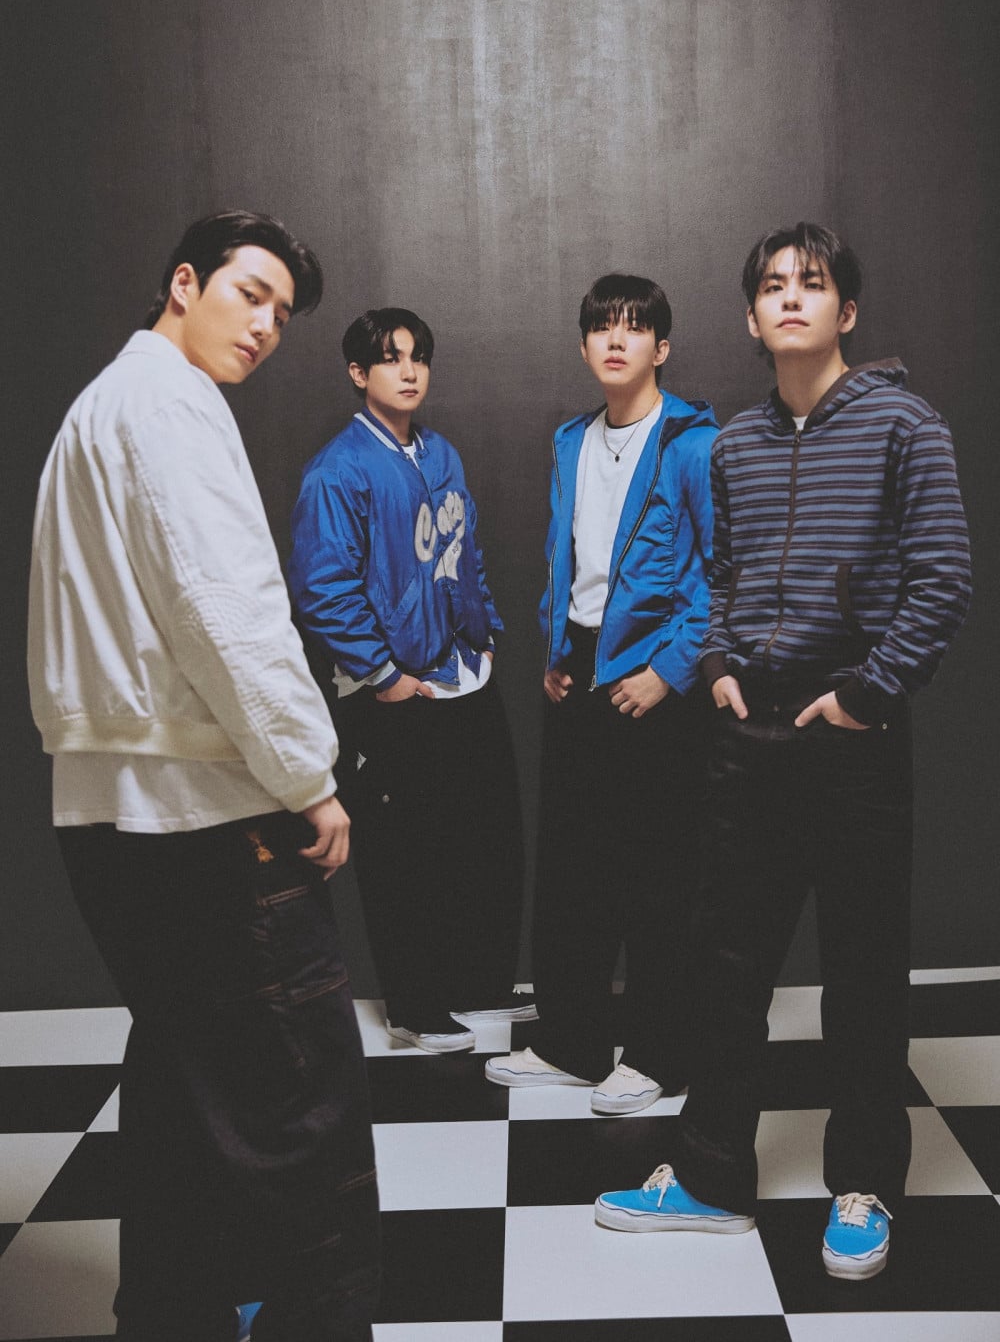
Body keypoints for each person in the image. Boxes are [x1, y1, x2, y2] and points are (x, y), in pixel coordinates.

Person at [28, 211, 380, 1342]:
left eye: (283, 312)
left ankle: (169, 1319)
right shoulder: (172, 406)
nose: (267, 325)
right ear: (184, 283)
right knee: (305, 1109)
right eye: (250, 293)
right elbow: (228, 615)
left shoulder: (98, 407)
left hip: (107, 820)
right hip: (208, 817)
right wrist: (309, 776)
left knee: (185, 1094)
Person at [596, 223, 972, 1278]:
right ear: (752, 317)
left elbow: (942, 577)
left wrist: (865, 692)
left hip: (853, 738)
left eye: (811, 283)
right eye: (772, 285)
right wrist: (717, 660)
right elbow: (721, 573)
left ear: (845, 311)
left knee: (863, 978)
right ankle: (711, 1177)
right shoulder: (736, 444)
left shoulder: (904, 425)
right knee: (725, 970)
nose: (791, 297)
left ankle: (864, 1183)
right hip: (746, 735)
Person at [485, 273, 717, 1113]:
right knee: (572, 869)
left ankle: (659, 1053)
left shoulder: (693, 443)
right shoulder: (570, 441)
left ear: (662, 347)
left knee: (658, 875)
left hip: (655, 676)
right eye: (601, 327)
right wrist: (556, 649)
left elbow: (718, 573)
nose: (616, 340)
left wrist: (671, 671)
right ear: (584, 346)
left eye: (634, 327)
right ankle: (572, 1041)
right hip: (579, 669)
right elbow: (568, 557)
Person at [288, 308, 528, 1054]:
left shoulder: (440, 453)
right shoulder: (339, 470)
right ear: (359, 374)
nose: (409, 370)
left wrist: (484, 631)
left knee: (475, 840)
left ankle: (470, 986)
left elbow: (466, 552)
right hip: (394, 693)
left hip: (461, 677)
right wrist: (383, 674)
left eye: (418, 356)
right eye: (391, 359)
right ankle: (415, 1009)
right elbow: (322, 589)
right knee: (406, 854)